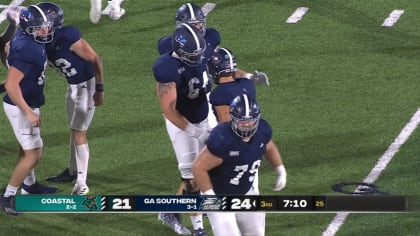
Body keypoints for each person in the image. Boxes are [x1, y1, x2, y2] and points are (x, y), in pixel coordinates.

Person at [157, 2, 269, 128]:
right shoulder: (169, 47)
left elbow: (222, 67)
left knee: (221, 139)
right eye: (194, 25)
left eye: (200, 22)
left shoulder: (210, 38)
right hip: (185, 104)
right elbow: (168, 77)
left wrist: (250, 76)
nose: (199, 27)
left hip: (206, 99)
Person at [192, 94, 287, 236]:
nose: (247, 125)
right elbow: (198, 167)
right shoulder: (223, 138)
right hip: (221, 197)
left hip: (247, 192)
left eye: (250, 121)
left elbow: (269, 147)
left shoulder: (262, 130)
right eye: (242, 122)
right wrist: (210, 196)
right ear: (233, 119)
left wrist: (280, 169)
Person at [37, 2, 104, 195]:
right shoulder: (40, 41)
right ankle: (73, 171)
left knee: (78, 133)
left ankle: (81, 183)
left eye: (43, 24)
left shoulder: (67, 35)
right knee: (74, 131)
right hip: (73, 86)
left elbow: (95, 59)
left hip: (87, 86)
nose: (40, 28)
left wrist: (99, 89)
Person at [0, 5, 58, 216]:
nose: (45, 31)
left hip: (24, 100)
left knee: (26, 149)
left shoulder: (26, 40)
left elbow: (7, 50)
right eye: (40, 28)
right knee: (33, 154)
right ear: (28, 27)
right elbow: (13, 85)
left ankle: (29, 185)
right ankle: (8, 196)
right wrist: (28, 112)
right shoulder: (28, 47)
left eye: (46, 27)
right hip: (20, 105)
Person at [153, 23, 210, 236]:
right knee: (192, 179)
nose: (197, 58)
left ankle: (170, 209)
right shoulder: (166, 67)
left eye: (199, 54)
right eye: (192, 55)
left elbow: (223, 69)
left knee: (214, 166)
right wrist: (195, 132)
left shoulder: (204, 49)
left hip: (206, 114)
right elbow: (168, 109)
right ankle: (198, 229)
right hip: (182, 124)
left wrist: (247, 77)